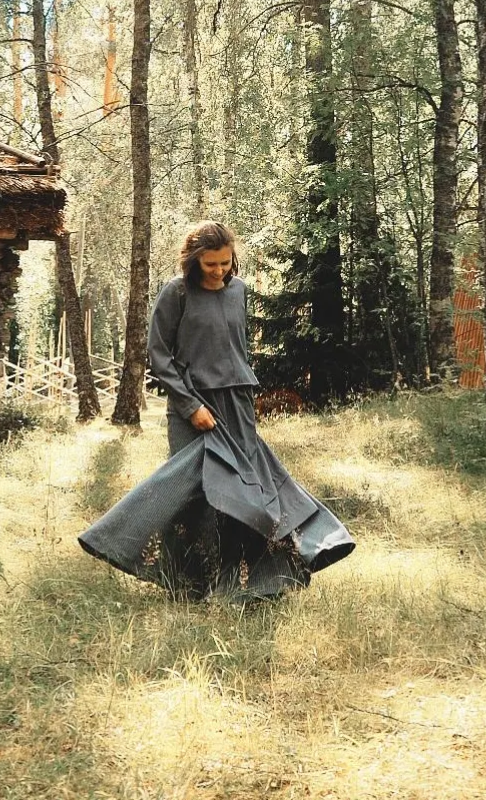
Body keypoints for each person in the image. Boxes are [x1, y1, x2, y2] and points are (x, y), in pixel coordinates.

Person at [77, 221, 354, 600]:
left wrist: (243, 400)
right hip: (193, 407)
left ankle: (250, 583)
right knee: (196, 496)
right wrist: (191, 407)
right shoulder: (176, 295)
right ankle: (184, 582)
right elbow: (159, 357)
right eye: (211, 264)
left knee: (247, 492)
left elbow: (235, 350)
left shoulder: (239, 291)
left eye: (225, 263)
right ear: (194, 262)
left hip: (237, 407)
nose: (219, 271)